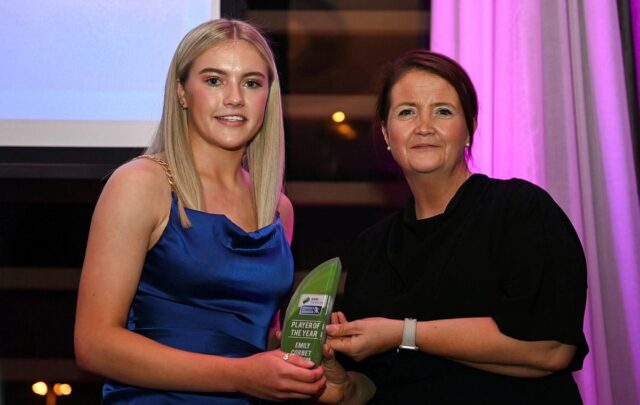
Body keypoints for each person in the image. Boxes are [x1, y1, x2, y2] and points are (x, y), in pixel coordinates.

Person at [74, 19, 327, 404]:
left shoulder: (276, 208)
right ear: (181, 92)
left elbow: (252, 331)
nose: (234, 97)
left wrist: (298, 348)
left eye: (251, 83)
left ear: (267, 97)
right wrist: (241, 375)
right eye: (214, 80)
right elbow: (94, 344)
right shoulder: (141, 184)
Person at [324, 50, 589, 404]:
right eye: (407, 112)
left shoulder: (519, 210)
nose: (424, 126)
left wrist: (402, 332)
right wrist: (343, 387)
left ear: (469, 128)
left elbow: (549, 348)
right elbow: (377, 384)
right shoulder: (371, 248)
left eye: (443, 111)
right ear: (387, 133)